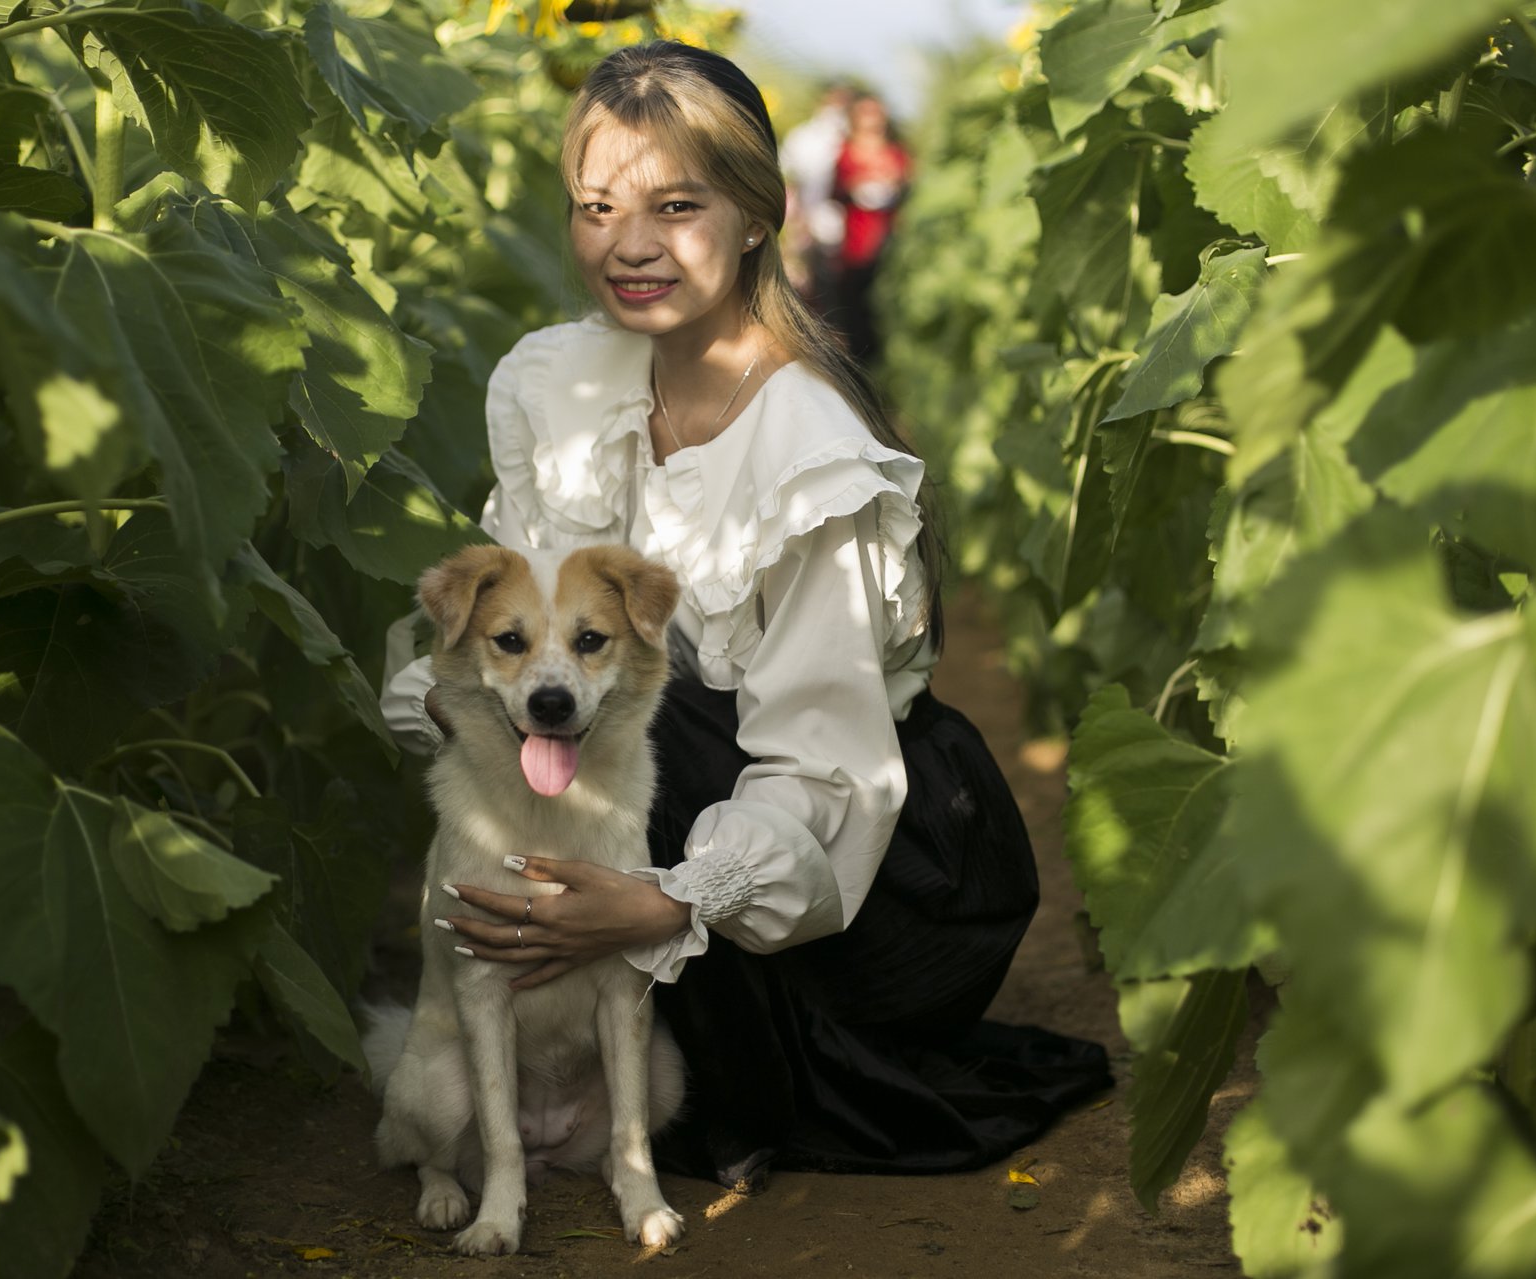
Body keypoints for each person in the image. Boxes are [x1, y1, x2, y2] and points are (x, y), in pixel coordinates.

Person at [381, 41, 1108, 1191]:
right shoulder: (566, 385)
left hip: (865, 877)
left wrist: (662, 901)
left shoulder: (810, 450)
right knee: (583, 687)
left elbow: (826, 767)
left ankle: (730, 1050)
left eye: (676, 206)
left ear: (759, 215)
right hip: (667, 792)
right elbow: (512, 623)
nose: (629, 244)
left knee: (643, 691)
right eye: (597, 206)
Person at [831, 92, 910, 365]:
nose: (872, 119)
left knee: (883, 306)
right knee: (856, 310)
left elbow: (908, 190)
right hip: (856, 242)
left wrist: (896, 185)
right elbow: (835, 191)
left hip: (889, 240)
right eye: (866, 113)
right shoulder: (845, 152)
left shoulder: (896, 153)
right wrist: (856, 186)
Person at [777, 81, 853, 318]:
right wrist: (796, 221)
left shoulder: (853, 138)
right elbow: (787, 180)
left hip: (847, 231)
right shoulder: (804, 137)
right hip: (807, 226)